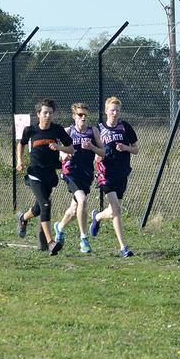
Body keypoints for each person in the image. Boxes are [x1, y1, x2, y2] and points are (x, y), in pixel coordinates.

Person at [15, 99, 75, 255]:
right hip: (34, 173)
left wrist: (59, 147)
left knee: (38, 208)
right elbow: (21, 144)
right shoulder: (30, 130)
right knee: (45, 204)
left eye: (50, 113)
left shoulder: (57, 130)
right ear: (38, 114)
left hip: (50, 174)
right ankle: (50, 243)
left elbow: (71, 149)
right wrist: (20, 160)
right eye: (45, 113)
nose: (47, 116)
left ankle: (23, 218)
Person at [51, 102, 104, 254]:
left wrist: (93, 148)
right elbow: (59, 150)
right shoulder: (68, 131)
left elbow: (103, 152)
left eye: (85, 115)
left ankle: (59, 228)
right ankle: (84, 239)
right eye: (80, 115)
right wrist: (63, 155)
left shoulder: (93, 131)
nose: (83, 118)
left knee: (75, 209)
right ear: (74, 116)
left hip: (86, 174)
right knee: (82, 200)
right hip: (70, 172)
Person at [89, 97, 139, 257]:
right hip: (105, 172)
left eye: (117, 110)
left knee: (112, 210)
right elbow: (93, 150)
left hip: (121, 171)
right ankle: (123, 247)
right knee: (116, 209)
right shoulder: (98, 129)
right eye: (112, 110)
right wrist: (96, 157)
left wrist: (125, 147)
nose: (115, 113)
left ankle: (96, 216)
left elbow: (136, 149)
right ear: (106, 111)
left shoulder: (125, 127)